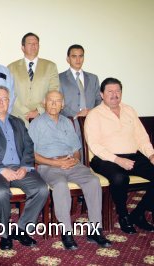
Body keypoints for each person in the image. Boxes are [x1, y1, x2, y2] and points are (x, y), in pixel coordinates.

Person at [29, 90, 111, 250]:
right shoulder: (36, 124)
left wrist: (74, 159)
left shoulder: (67, 122)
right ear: (44, 103)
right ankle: (66, 232)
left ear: (63, 104)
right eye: (50, 101)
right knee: (60, 185)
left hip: (71, 163)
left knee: (93, 181)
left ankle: (95, 230)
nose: (54, 104)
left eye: (57, 101)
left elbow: (76, 150)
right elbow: (33, 155)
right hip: (48, 164)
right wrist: (56, 163)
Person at [0, 85, 48, 250]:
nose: (1, 102)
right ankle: (5, 233)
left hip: (19, 167)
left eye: (5, 99)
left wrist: (25, 166)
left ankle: (22, 229)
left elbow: (29, 146)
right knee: (0, 193)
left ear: (9, 102)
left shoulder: (18, 122)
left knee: (42, 189)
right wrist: (2, 169)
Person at [85, 77, 154, 234]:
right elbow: (95, 145)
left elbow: (141, 137)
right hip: (104, 158)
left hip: (132, 155)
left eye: (118, 91)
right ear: (102, 94)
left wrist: (151, 155)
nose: (114, 95)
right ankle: (123, 216)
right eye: (110, 91)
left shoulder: (129, 110)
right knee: (120, 178)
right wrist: (118, 160)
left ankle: (138, 214)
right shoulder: (94, 115)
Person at [8, 32, 59, 124]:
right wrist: (25, 112)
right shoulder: (11, 67)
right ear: (22, 47)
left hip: (43, 116)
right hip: (18, 117)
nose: (33, 46)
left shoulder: (50, 66)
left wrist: (39, 110)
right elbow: (10, 93)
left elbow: (54, 91)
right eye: (30, 43)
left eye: (36, 44)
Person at [59, 44, 101, 119]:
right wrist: (76, 115)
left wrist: (91, 113)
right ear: (68, 59)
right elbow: (58, 102)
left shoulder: (93, 78)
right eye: (74, 56)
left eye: (81, 56)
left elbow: (98, 100)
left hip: (91, 120)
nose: (78, 60)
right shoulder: (59, 78)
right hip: (69, 121)